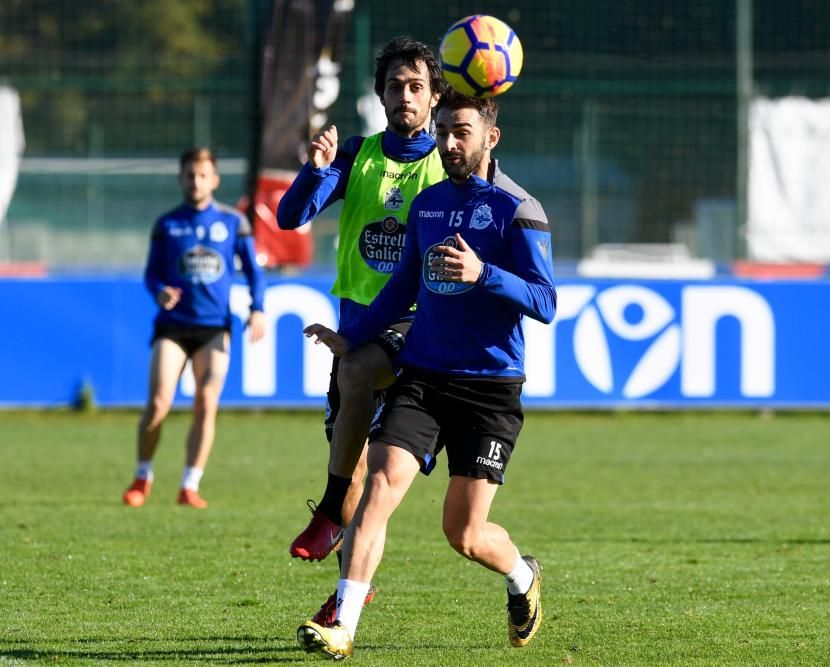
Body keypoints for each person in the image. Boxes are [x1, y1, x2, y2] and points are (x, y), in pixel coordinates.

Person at [295, 87, 556, 660]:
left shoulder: (520, 208)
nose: (450, 142)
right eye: (445, 132)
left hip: (490, 388)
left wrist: (484, 272)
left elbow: (545, 301)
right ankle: (344, 624)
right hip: (425, 377)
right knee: (380, 489)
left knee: (463, 534)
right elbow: (402, 288)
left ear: (492, 136)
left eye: (463, 132)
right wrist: (353, 338)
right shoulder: (429, 203)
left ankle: (522, 576)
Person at [276, 36, 446, 583]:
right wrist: (318, 169)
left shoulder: (448, 163)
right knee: (359, 476)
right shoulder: (356, 154)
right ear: (381, 95)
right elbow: (288, 217)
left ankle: (328, 516)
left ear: (434, 98)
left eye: (416, 87)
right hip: (357, 327)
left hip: (417, 330)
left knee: (376, 471)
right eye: (395, 86)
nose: (405, 96)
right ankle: (349, 594)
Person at [122, 147, 266, 510]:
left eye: (202, 175)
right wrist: (159, 293)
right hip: (172, 327)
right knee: (157, 404)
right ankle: (142, 476)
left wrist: (258, 309)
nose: (196, 181)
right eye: (189, 174)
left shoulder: (234, 222)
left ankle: (190, 484)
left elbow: (254, 271)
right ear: (180, 178)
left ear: (215, 179)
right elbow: (151, 273)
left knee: (206, 403)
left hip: (214, 329)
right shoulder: (167, 224)